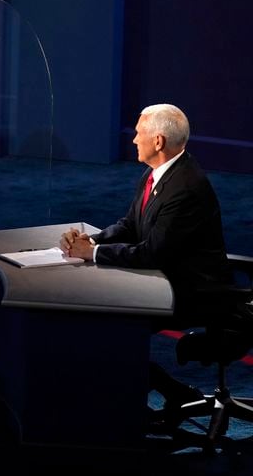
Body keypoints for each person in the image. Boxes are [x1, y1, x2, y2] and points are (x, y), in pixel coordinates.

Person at [60, 103, 233, 425]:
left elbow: (152, 253)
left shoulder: (187, 188)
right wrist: (94, 241)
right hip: (164, 278)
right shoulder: (157, 173)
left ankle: (134, 414)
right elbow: (130, 224)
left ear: (158, 141)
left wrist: (91, 255)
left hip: (193, 290)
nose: (133, 140)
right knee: (98, 320)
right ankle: (174, 393)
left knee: (111, 327)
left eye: (139, 133)